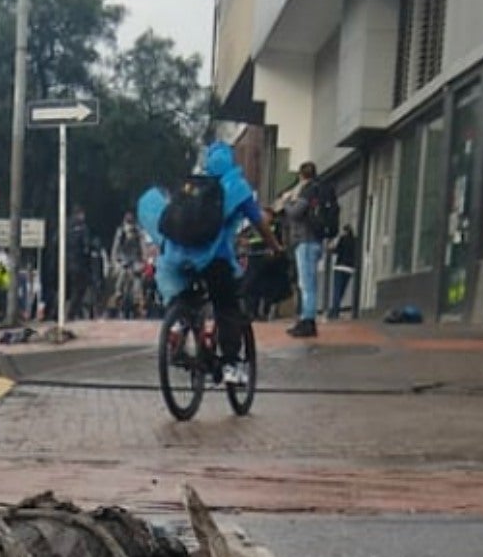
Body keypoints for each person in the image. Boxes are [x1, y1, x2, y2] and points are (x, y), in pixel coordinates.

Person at [138, 142, 284, 386]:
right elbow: (259, 223)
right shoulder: (237, 186)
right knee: (226, 306)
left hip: (175, 257)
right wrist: (276, 248)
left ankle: (179, 325)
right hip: (213, 259)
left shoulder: (192, 186)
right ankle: (229, 365)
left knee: (183, 298)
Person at [277, 161, 325, 338]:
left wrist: (286, 203)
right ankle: (306, 318)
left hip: (306, 241)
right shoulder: (319, 189)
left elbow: (296, 212)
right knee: (308, 283)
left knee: (307, 284)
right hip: (315, 241)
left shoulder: (307, 190)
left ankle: (308, 321)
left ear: (301, 175)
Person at [111, 212, 147, 318]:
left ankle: (138, 300)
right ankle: (118, 294)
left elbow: (142, 245)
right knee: (120, 276)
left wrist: (144, 260)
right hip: (123, 259)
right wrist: (115, 261)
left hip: (135, 259)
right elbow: (115, 247)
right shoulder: (120, 231)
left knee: (137, 281)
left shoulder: (138, 231)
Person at [329, 225, 358, 320]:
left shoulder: (342, 239)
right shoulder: (355, 241)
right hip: (349, 268)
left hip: (340, 266)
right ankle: (335, 309)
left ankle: (334, 311)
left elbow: (337, 250)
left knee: (337, 290)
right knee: (342, 290)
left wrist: (331, 247)